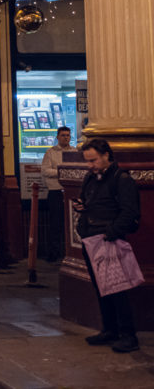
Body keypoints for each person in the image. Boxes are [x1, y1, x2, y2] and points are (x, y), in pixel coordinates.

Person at [73, 139, 141, 353]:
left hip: (108, 240)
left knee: (117, 288)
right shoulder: (90, 178)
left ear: (106, 156)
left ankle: (128, 335)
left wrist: (111, 233)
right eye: (87, 161)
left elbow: (130, 212)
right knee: (101, 287)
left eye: (93, 160)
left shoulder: (121, 179)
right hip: (90, 239)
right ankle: (109, 329)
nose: (90, 165)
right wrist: (82, 207)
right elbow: (88, 201)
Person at [40, 126, 72, 261]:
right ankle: (54, 254)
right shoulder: (50, 153)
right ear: (57, 137)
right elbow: (45, 171)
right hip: (55, 192)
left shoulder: (75, 151)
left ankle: (69, 254)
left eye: (68, 135)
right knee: (55, 224)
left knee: (70, 224)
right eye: (63, 135)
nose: (66, 137)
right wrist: (62, 171)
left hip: (71, 193)